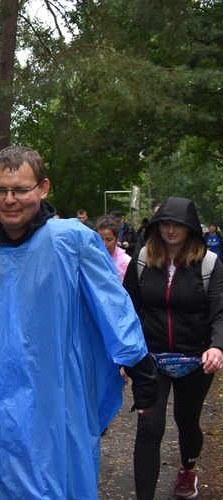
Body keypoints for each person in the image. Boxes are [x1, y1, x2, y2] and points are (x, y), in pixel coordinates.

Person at [0, 146, 158, 499]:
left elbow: (113, 307)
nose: (9, 200)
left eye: (21, 189)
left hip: (56, 395)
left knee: (52, 475)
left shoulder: (73, 241)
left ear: (42, 188)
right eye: (0, 190)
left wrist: (141, 368)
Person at [123, 197, 223, 500]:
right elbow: (127, 309)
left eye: (177, 224)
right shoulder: (142, 260)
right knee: (149, 428)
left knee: (186, 421)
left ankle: (188, 467)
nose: (170, 229)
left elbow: (220, 312)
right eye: (164, 223)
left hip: (196, 358)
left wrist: (217, 347)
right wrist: (124, 355)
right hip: (152, 359)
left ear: (190, 228)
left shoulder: (209, 264)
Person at [96, 214, 132, 282]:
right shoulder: (93, 259)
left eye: (109, 240)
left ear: (116, 239)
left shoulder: (126, 262)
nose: (104, 244)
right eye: (100, 240)